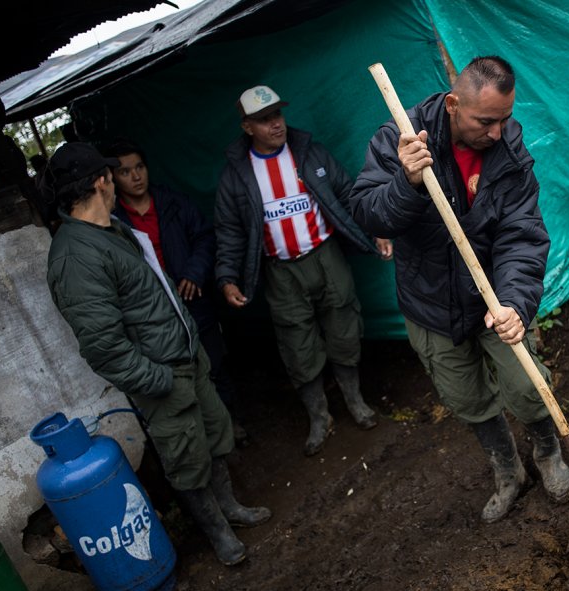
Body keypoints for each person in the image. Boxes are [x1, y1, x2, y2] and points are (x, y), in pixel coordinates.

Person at [349, 56, 569, 523]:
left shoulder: (508, 149)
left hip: (494, 294)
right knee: (467, 399)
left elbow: (522, 233)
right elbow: (369, 214)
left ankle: (548, 452)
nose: (497, 132)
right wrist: (406, 183)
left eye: (506, 118)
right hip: (430, 303)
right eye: (486, 121)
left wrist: (514, 302)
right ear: (453, 104)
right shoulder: (400, 136)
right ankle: (507, 470)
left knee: (527, 387)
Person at [41, 142, 270, 567]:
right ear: (100, 182)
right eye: (111, 175)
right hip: (163, 376)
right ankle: (218, 533)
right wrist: (159, 380)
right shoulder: (76, 255)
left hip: (188, 357)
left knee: (215, 437)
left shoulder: (111, 229)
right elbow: (103, 347)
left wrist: (190, 347)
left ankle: (231, 509)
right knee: (186, 459)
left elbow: (153, 295)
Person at [214, 84, 393, 457]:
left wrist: (375, 230)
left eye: (277, 114)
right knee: (297, 344)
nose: (275, 124)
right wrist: (227, 276)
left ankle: (356, 403)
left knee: (344, 326)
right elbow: (229, 230)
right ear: (247, 127)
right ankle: (319, 417)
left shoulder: (309, 152)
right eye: (264, 120)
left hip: (326, 255)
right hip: (281, 271)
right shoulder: (236, 174)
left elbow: (347, 192)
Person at [102, 139, 247, 444]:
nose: (136, 176)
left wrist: (194, 272)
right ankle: (205, 437)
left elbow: (205, 238)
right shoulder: (114, 223)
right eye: (126, 172)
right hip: (157, 315)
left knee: (215, 366)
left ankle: (232, 425)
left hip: (194, 301)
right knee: (180, 377)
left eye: (139, 167)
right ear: (113, 178)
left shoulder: (172, 202)